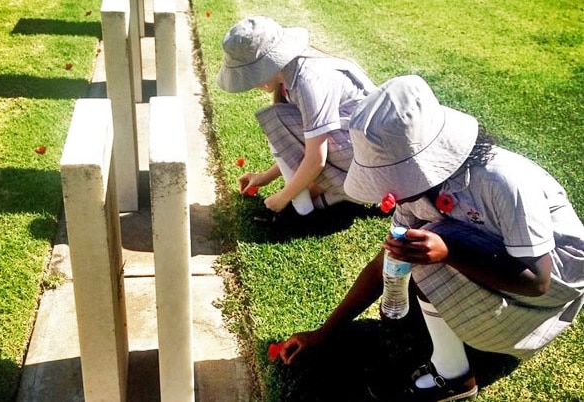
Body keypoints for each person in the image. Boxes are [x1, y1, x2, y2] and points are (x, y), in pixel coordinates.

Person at [279, 75, 584, 401]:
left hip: (552, 286)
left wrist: (448, 252)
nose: (391, 189)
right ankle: (445, 329)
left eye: (396, 175)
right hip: (503, 263)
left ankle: (454, 376)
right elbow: (386, 261)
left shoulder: (503, 181)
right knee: (418, 243)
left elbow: (538, 280)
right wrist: (324, 333)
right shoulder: (417, 193)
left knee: (429, 241)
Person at [217, 16, 376, 218]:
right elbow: (304, 145)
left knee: (277, 120)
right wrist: (265, 177)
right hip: (358, 152)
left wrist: (282, 198)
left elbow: (316, 158)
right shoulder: (292, 73)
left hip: (365, 160)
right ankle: (335, 193)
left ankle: (341, 192)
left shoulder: (308, 81)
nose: (251, 83)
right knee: (279, 120)